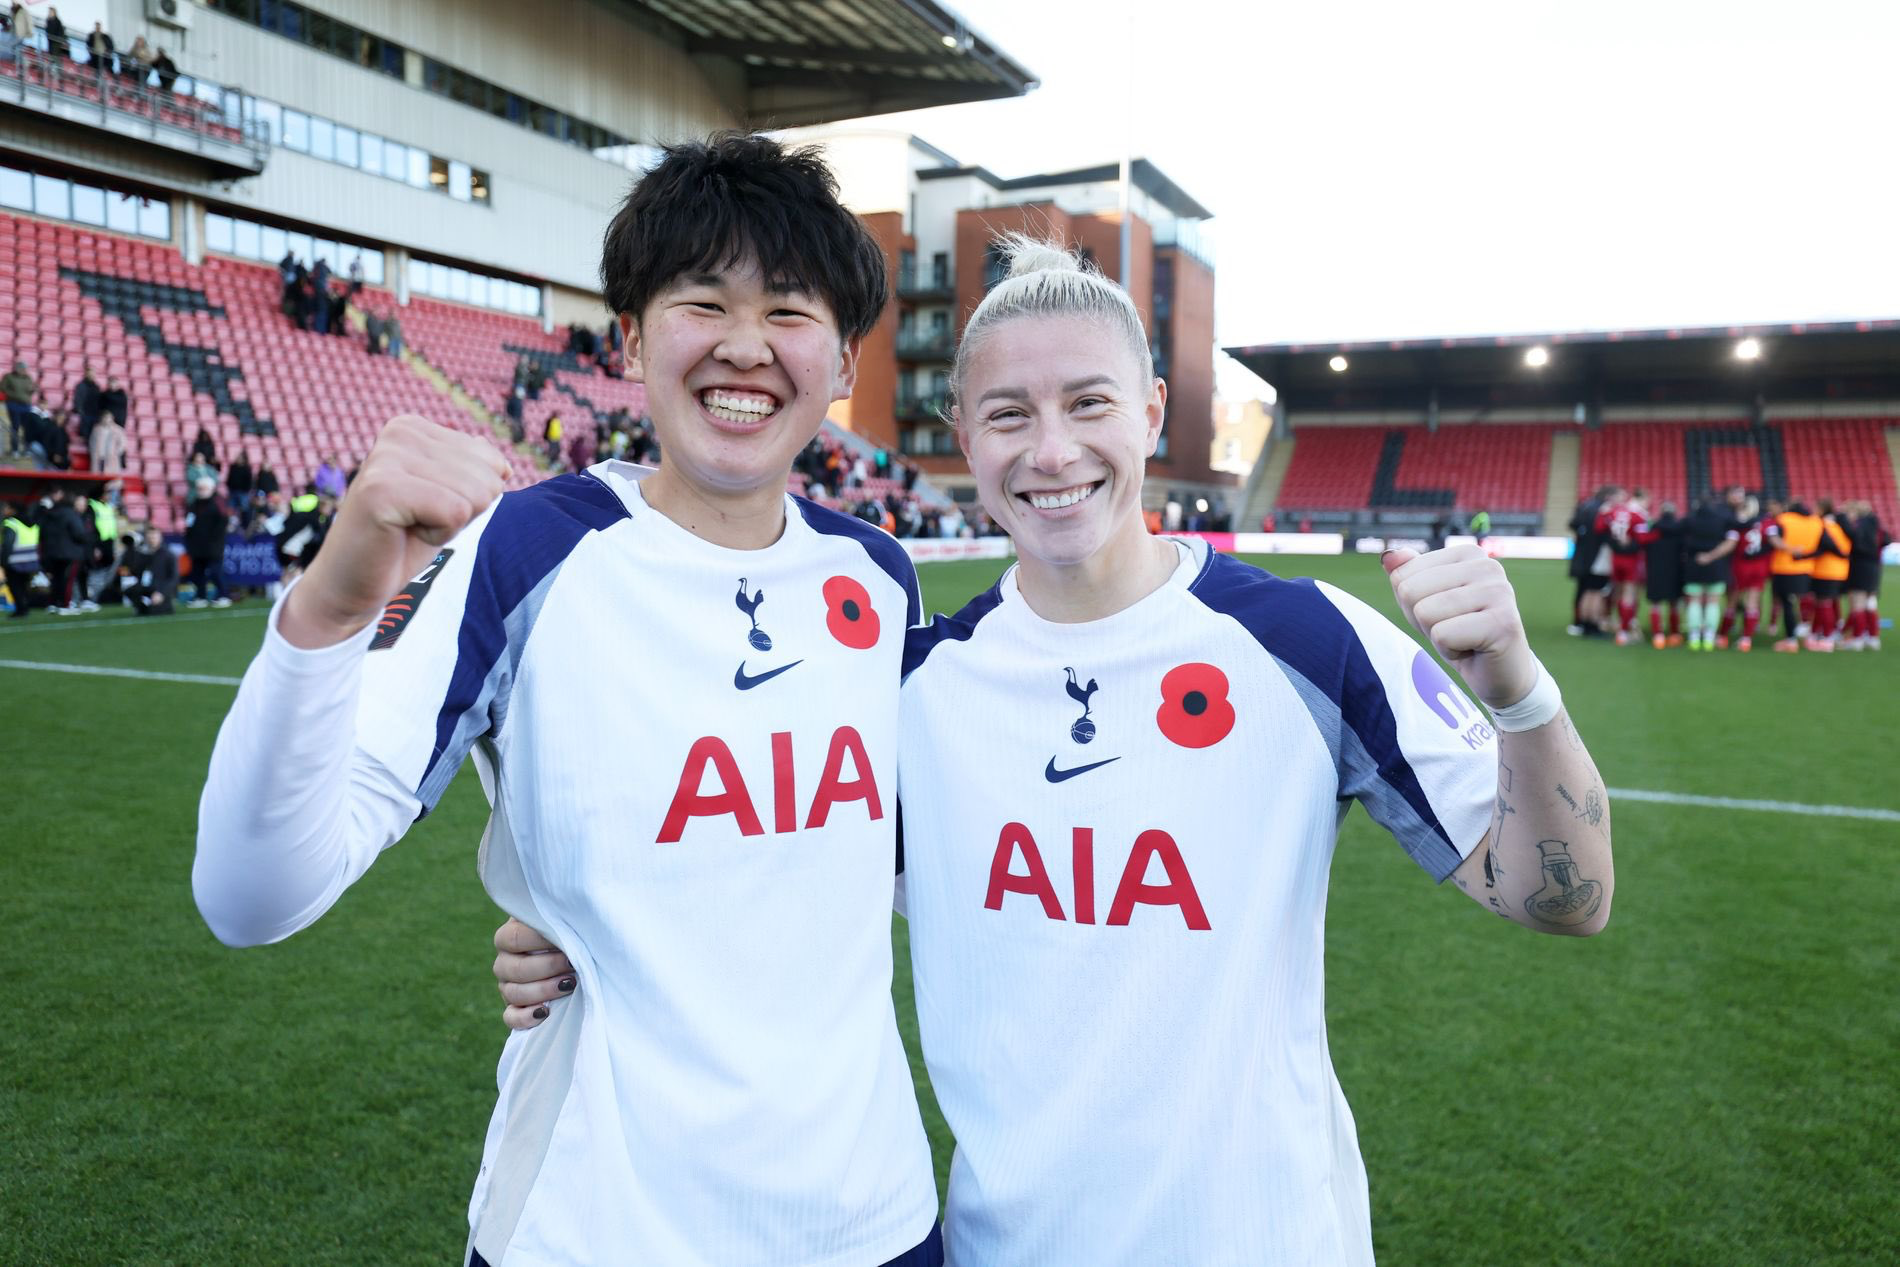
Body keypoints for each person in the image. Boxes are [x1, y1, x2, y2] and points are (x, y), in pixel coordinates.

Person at [494, 237, 1615, 1266]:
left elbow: (1566, 898)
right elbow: (773, 855)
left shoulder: (1302, 639)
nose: (1053, 450)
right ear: (962, 436)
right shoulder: (913, 681)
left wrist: (1517, 690)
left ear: (1152, 412)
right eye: (1008, 414)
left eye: (1088, 404)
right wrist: (567, 926)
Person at [194, 133, 944, 1267]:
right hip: (597, 1226)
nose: (745, 347)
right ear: (633, 338)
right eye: (704, 302)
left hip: (873, 1224)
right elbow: (253, 897)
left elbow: (908, 870)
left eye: (790, 313)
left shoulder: (877, 575)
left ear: (843, 361)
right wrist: (328, 618)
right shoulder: (531, 549)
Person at [1678, 496, 1737, 652]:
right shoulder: (1723, 520)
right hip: (1716, 565)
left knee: (1694, 601)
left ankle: (1694, 637)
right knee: (1713, 602)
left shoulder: (1689, 520)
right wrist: (1711, 556)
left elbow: (1680, 539)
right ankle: (1710, 637)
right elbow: (1730, 543)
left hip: (1694, 564)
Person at [1720, 491, 1773, 652]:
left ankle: (1722, 636)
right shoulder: (1765, 523)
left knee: (1732, 601)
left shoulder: (1738, 524)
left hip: (1741, 565)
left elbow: (1730, 544)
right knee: (1752, 602)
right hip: (1760, 566)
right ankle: (1746, 639)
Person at [1596, 486, 1648, 644]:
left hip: (1615, 558)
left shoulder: (1610, 513)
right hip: (1631, 559)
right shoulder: (1636, 515)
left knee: (1617, 591)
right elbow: (1643, 539)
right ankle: (1624, 631)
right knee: (1629, 594)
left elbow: (1598, 528)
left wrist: (1614, 542)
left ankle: (1614, 621)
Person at [1769, 497, 1821, 652]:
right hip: (1807, 569)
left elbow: (1773, 539)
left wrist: (1791, 549)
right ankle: (1810, 635)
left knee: (1787, 605)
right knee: (1806, 602)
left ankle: (1791, 639)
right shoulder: (1815, 522)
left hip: (1784, 569)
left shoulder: (1783, 520)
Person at [36, 488, 90, 613]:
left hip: (52, 552)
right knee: (68, 580)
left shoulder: (50, 514)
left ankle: (53, 603)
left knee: (56, 579)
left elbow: (42, 532)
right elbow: (79, 534)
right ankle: (65, 605)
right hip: (70, 552)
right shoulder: (71, 514)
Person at [1842, 500, 1884, 651]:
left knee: (1858, 603)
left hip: (1860, 567)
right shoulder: (1876, 525)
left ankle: (1858, 638)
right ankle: (1873, 637)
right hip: (1874, 568)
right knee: (1870, 604)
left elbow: (1855, 540)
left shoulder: (1860, 526)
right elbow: (1886, 540)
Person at [182, 476, 230, 608]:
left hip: (213, 545)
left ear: (211, 488)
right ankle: (200, 596)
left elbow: (223, 523)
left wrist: (214, 540)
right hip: (197, 546)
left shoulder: (218, 502)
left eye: (203, 488)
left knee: (215, 571)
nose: (200, 491)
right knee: (197, 573)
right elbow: (188, 523)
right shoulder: (194, 504)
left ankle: (223, 595)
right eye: (199, 488)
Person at [1641, 500, 1684, 647]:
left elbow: (1643, 545)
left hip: (1655, 571)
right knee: (1674, 604)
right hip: (1675, 571)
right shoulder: (1680, 530)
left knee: (1655, 604)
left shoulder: (1654, 529)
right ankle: (1674, 634)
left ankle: (1657, 635)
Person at [121, 523, 178, 615]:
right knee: (130, 591)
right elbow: (137, 572)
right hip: (147, 588)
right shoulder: (144, 554)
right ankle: (141, 607)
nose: (152, 539)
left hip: (160, 589)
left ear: (160, 538)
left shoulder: (168, 555)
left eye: (154, 536)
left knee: (154, 612)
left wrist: (161, 593)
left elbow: (173, 577)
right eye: (150, 537)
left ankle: (164, 606)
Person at [3, 500, 40, 617]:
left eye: (6, 508)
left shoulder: (11, 523)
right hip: (30, 560)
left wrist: (3, 560)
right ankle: (25, 608)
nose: (4, 510)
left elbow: (8, 544)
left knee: (14, 586)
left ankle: (20, 610)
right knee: (24, 586)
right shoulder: (32, 523)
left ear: (13, 510)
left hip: (15, 560)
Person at [3, 358, 35, 455]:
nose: (23, 370)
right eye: (21, 368)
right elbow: (3, 388)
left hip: (26, 405)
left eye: (24, 368)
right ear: (16, 368)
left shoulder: (28, 378)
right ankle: (15, 449)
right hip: (14, 404)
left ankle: (26, 449)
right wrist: (13, 395)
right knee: (15, 426)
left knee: (27, 427)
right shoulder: (8, 377)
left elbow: (30, 390)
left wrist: (33, 389)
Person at [226, 450, 255, 518]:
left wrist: (246, 490)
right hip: (233, 491)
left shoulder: (247, 468)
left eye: (240, 458)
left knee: (244, 508)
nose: (238, 459)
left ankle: (244, 522)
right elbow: (229, 478)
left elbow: (249, 481)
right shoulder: (233, 467)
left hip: (243, 492)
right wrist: (229, 486)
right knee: (231, 509)